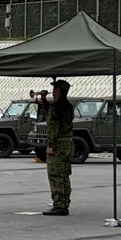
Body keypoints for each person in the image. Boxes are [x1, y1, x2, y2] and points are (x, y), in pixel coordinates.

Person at [43, 79, 75, 216]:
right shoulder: (68, 106)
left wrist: (50, 145)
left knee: (55, 174)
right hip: (68, 143)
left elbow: (52, 127)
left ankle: (59, 205)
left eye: (55, 89)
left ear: (59, 91)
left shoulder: (56, 107)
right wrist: (44, 101)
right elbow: (51, 114)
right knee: (64, 174)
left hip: (58, 144)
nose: (53, 91)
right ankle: (65, 202)